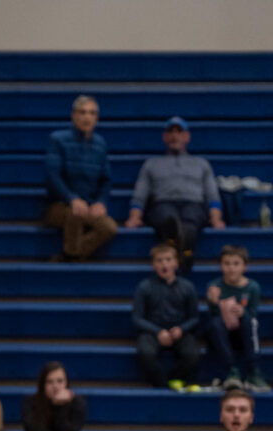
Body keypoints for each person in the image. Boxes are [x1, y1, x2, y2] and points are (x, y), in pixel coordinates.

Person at [124, 116, 225, 270]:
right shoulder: (152, 164)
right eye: (170, 132)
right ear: (165, 137)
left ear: (187, 136)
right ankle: (185, 253)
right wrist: (134, 217)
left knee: (189, 224)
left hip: (193, 204)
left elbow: (212, 194)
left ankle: (177, 252)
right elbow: (140, 193)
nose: (174, 135)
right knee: (169, 220)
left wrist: (216, 218)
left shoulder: (201, 163)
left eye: (179, 131)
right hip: (163, 204)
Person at [43, 95, 118, 261]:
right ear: (73, 115)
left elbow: (106, 180)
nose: (87, 117)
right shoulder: (57, 140)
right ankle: (72, 258)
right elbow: (52, 176)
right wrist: (72, 198)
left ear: (97, 118)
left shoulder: (100, 144)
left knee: (109, 227)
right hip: (59, 205)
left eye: (92, 113)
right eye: (82, 112)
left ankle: (70, 255)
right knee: (75, 214)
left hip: (88, 205)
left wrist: (101, 202)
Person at [132, 243, 201, 390]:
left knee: (193, 354)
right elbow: (137, 318)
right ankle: (162, 386)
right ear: (153, 265)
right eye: (160, 260)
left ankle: (172, 380)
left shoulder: (187, 287)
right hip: (152, 331)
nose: (164, 264)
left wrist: (181, 329)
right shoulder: (144, 287)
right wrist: (158, 332)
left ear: (176, 263)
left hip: (179, 331)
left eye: (168, 260)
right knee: (145, 353)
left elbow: (194, 317)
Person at [204, 244, 268, 392]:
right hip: (222, 334)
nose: (231, 268)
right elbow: (213, 316)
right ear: (221, 265)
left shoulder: (252, 287)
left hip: (244, 332)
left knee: (249, 321)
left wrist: (242, 312)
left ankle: (253, 371)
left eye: (236, 264)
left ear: (244, 266)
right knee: (215, 323)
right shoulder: (214, 286)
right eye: (227, 264)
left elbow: (253, 314)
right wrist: (214, 303)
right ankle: (232, 371)